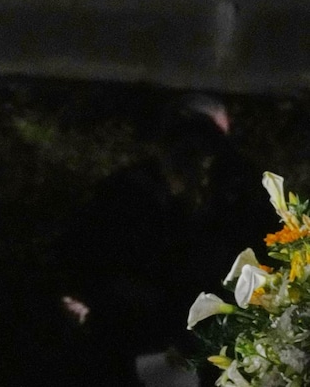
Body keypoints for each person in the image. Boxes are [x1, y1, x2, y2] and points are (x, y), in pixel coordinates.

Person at [53, 93, 275, 385]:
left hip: (211, 330)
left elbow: (271, 255)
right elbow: (80, 252)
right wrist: (85, 297)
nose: (193, 149)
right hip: (139, 329)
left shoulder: (242, 192)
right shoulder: (127, 191)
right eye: (181, 136)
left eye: (203, 138)